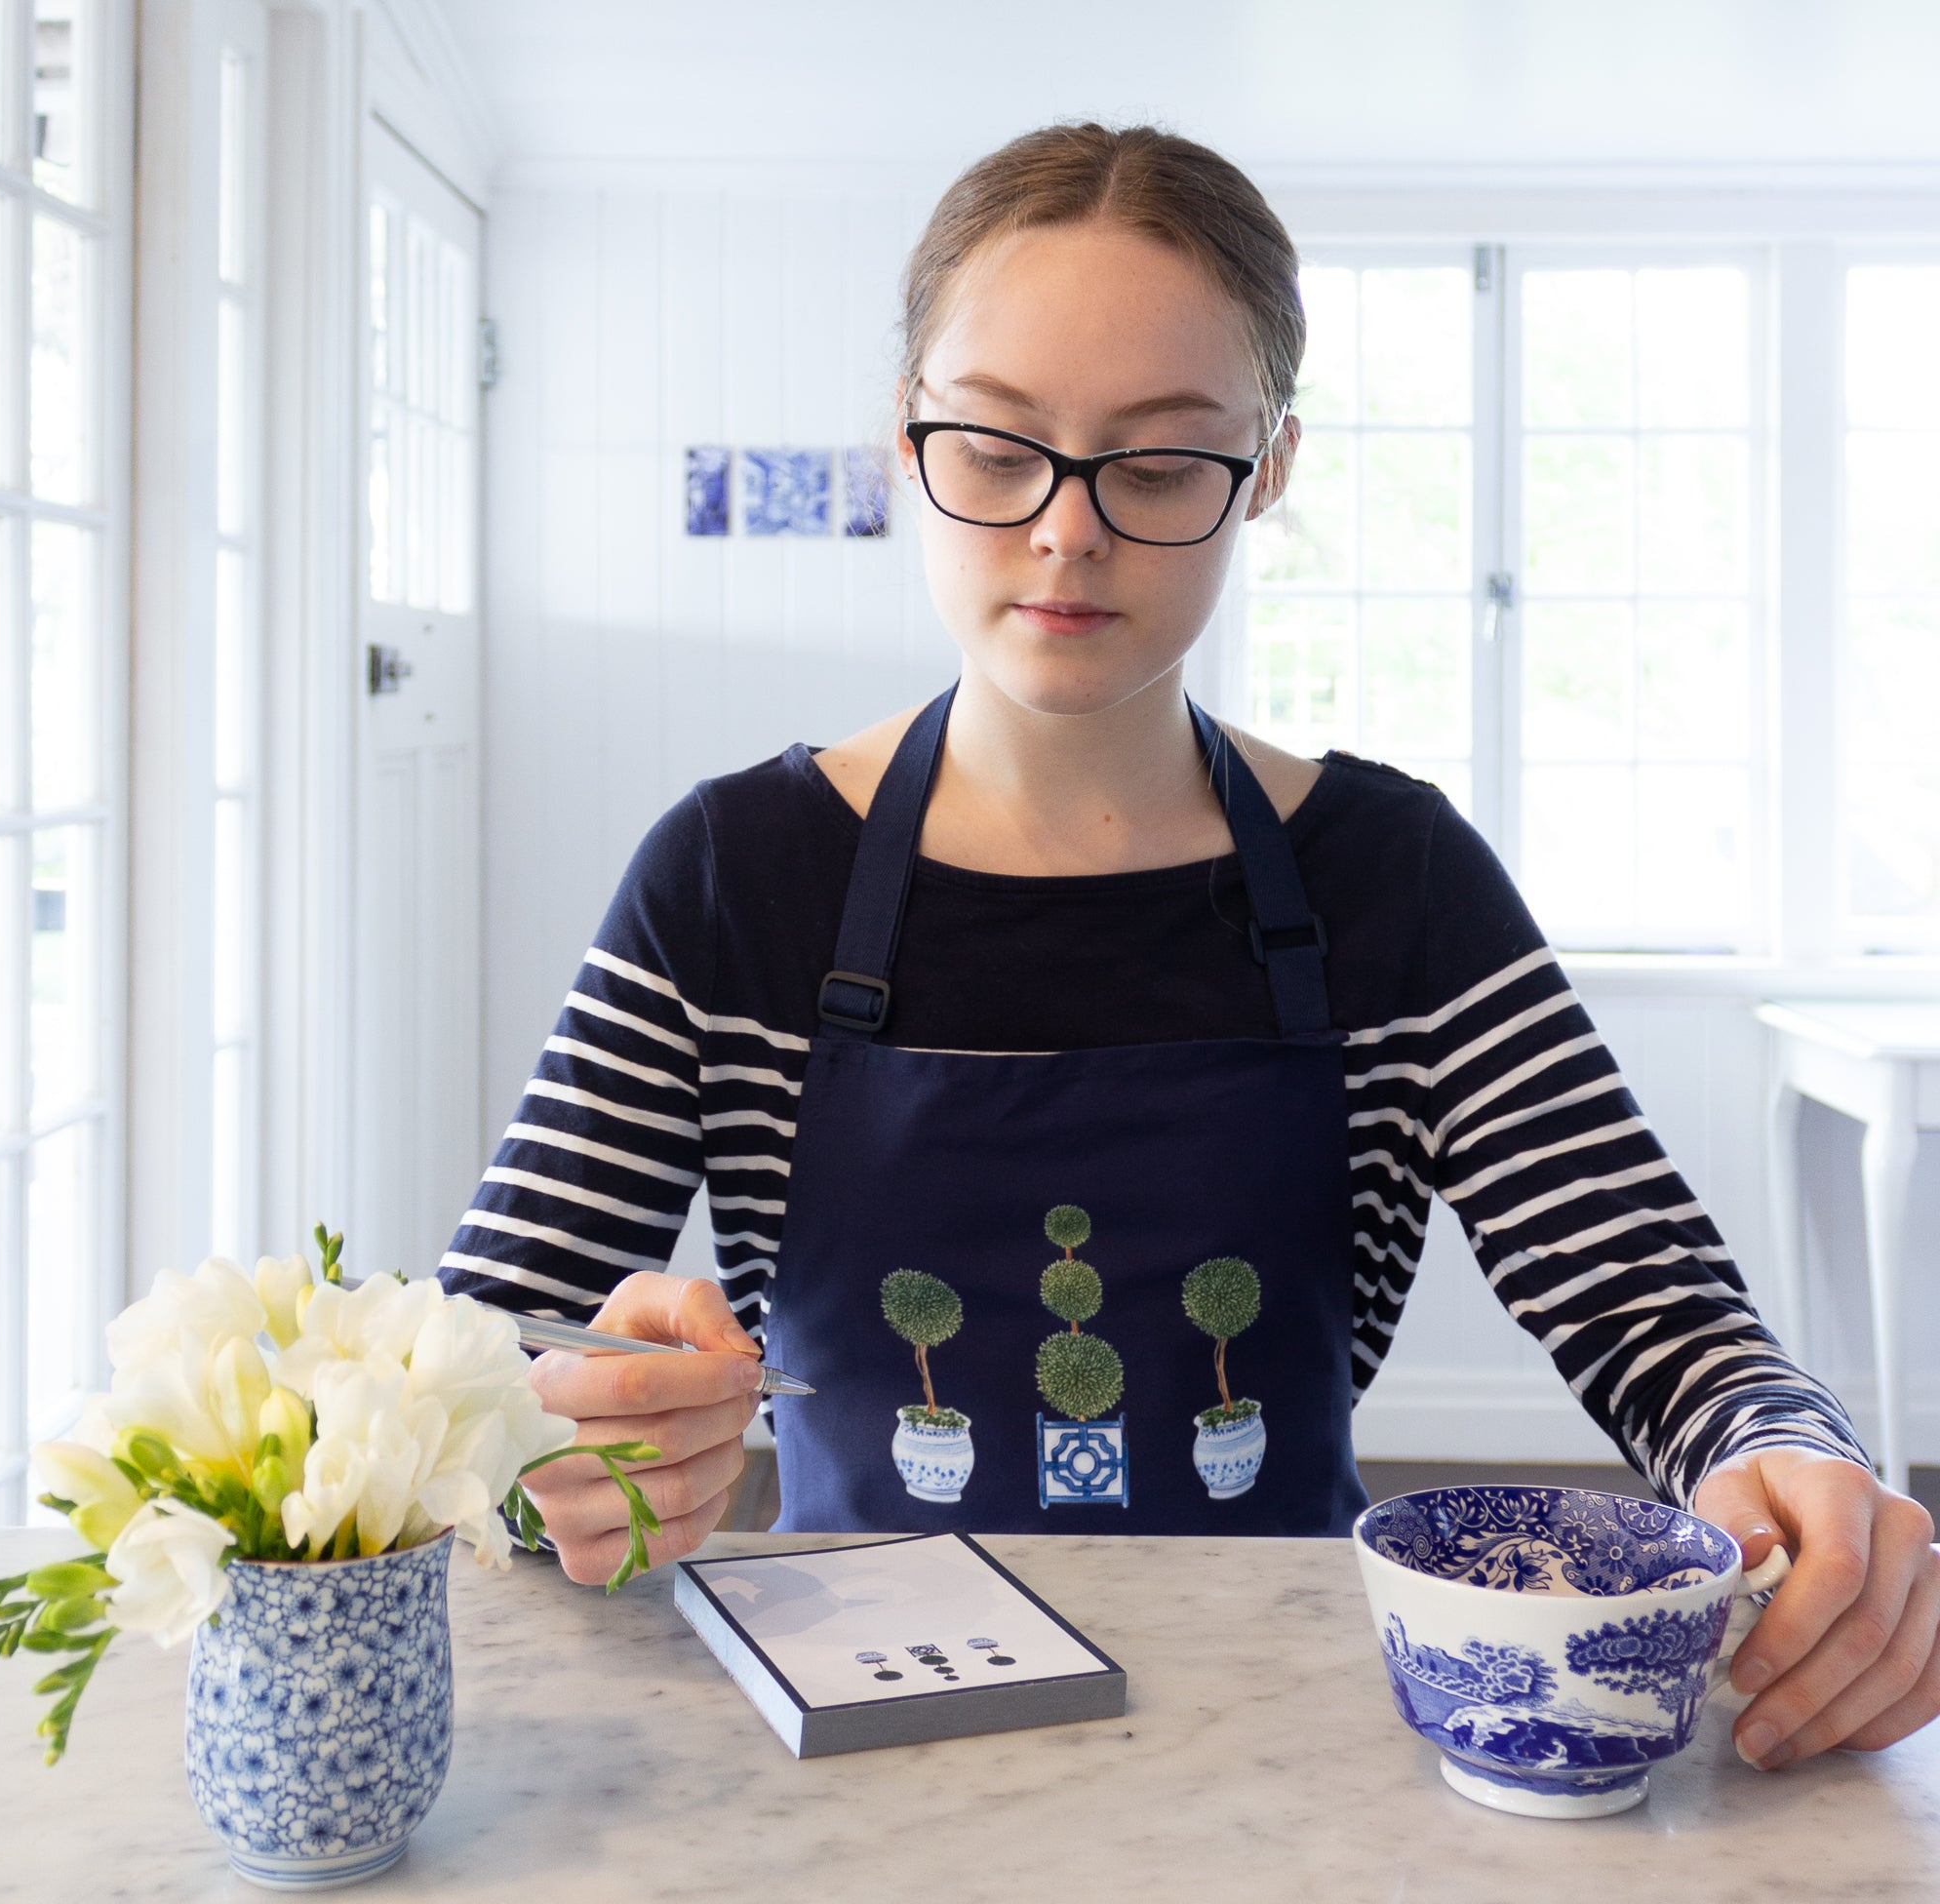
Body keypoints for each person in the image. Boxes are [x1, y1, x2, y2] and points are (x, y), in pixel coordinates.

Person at [438, 121, 1938, 1771]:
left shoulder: (1394, 882)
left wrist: (1798, 1462)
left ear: (1270, 466)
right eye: (999, 450)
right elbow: (472, 1361)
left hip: (1286, 1745)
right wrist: (564, 1431)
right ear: (905, 438)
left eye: (1157, 466)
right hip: (857, 1739)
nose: (1066, 535)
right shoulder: (735, 878)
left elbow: (1663, 1314)